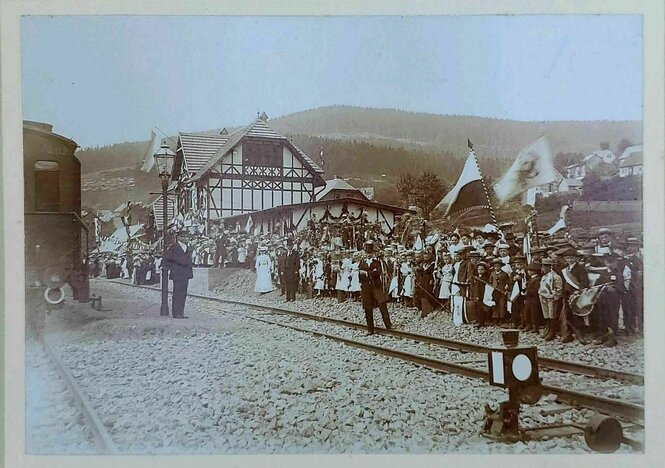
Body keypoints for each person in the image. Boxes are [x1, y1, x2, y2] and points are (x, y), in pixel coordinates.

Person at [358, 240, 392, 334]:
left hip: (376, 286)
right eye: (367, 253)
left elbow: (378, 272)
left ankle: (388, 325)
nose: (369, 254)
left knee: (382, 304)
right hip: (366, 287)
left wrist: (367, 273)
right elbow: (359, 275)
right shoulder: (362, 262)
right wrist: (370, 273)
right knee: (368, 307)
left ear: (373, 253)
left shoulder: (377, 262)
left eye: (370, 253)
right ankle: (370, 329)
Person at [163, 233, 193, 319]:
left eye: (185, 236)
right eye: (182, 236)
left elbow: (189, 260)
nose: (184, 238)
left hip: (185, 273)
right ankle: (176, 313)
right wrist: (181, 261)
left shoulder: (187, 247)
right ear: (178, 237)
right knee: (177, 293)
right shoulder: (174, 247)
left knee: (183, 293)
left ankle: (181, 312)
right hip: (177, 272)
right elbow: (169, 258)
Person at [540, 258, 563, 340]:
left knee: (552, 314)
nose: (544, 268)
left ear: (551, 267)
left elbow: (559, 289)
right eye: (543, 266)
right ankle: (548, 328)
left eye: (546, 266)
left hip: (551, 298)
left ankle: (552, 331)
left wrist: (556, 296)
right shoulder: (544, 277)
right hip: (543, 296)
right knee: (546, 314)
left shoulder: (556, 277)